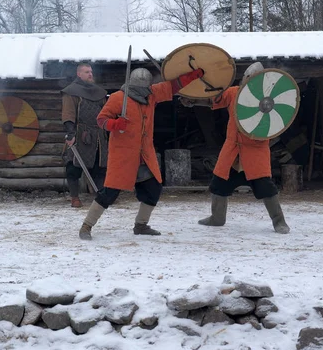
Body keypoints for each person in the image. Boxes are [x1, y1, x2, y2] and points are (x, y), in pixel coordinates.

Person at [78, 67, 205, 240]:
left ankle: (141, 225)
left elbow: (173, 86)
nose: (146, 92)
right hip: (123, 155)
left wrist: (193, 75)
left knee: (153, 189)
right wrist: (115, 125)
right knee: (109, 193)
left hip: (144, 154)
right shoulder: (118, 98)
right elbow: (101, 119)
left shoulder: (151, 94)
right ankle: (86, 226)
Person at [180, 62, 290, 234]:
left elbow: (276, 122)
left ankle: (279, 221)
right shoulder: (234, 93)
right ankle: (217, 218)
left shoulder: (269, 100)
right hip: (233, 149)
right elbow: (213, 100)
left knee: (265, 187)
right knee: (219, 183)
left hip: (255, 150)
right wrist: (193, 101)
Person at [61, 63, 108, 208]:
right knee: (74, 167)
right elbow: (68, 113)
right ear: (79, 74)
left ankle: (101, 196)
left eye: (91, 72)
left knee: (99, 166)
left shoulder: (99, 92)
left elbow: (106, 113)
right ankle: (75, 197)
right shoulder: (71, 92)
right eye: (87, 72)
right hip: (79, 134)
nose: (90, 74)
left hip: (99, 135)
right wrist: (70, 133)